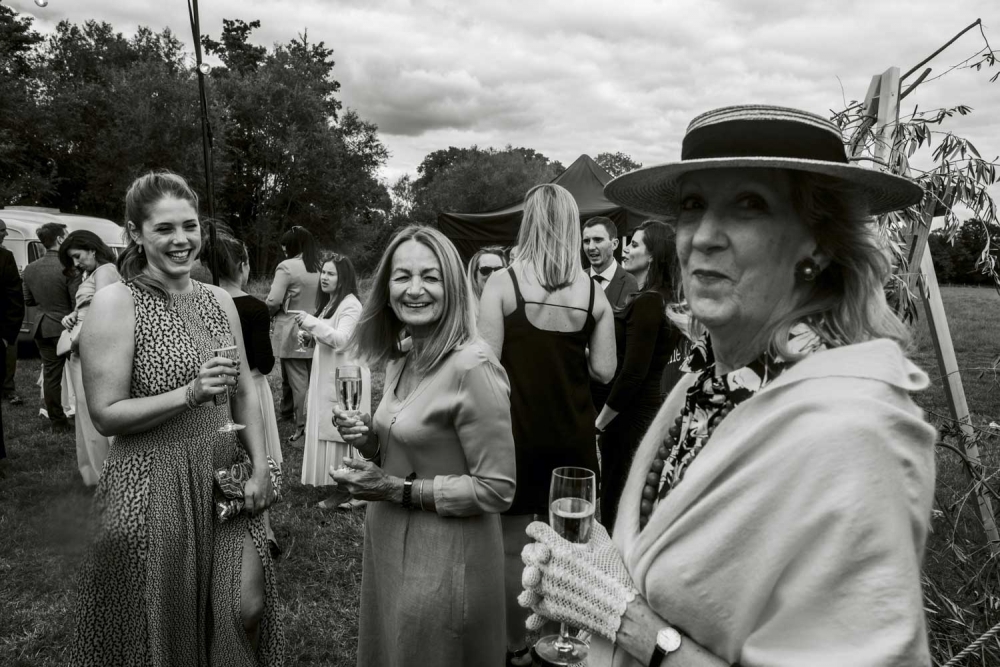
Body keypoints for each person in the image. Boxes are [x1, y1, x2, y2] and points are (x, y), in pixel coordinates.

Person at [519, 105, 935, 667]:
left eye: (750, 205)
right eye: (693, 206)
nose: (704, 238)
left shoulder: (853, 434)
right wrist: (601, 570)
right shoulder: (700, 388)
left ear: (817, 244)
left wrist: (630, 624)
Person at [70, 171, 283, 665]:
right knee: (164, 625)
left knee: (245, 606)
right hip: (153, 481)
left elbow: (245, 391)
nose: (181, 239)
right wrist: (187, 393)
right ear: (134, 234)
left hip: (221, 476)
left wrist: (260, 465)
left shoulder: (220, 300)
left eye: (190, 226)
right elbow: (106, 414)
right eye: (164, 228)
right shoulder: (115, 303)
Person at [331, 225, 515, 667]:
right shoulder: (405, 355)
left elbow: (497, 489)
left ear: (452, 285)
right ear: (386, 287)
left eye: (430, 277)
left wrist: (395, 490)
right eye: (402, 277)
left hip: (447, 559)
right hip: (390, 543)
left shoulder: (474, 366)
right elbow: (407, 446)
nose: (415, 289)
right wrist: (370, 440)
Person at [477, 183, 617, 666]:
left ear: (530, 223)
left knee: (513, 550)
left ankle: (516, 647)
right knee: (570, 552)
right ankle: (565, 645)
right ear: (572, 228)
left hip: (516, 436)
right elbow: (604, 371)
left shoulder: (502, 284)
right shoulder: (594, 293)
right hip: (573, 440)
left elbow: (485, 369)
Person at [594, 220, 682, 529]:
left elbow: (633, 374)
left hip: (629, 419)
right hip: (641, 414)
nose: (627, 250)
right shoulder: (658, 298)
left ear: (653, 256)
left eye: (634, 244)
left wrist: (599, 423)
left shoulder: (648, 302)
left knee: (616, 505)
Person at [204, 221, 283, 555]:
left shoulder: (202, 302)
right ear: (242, 266)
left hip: (213, 395)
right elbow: (264, 363)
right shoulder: (252, 307)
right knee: (255, 454)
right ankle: (265, 532)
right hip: (250, 388)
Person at [295, 252, 370, 509]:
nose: (324, 278)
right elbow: (329, 336)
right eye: (323, 273)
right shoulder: (331, 302)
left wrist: (311, 322)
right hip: (330, 375)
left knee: (343, 434)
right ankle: (345, 486)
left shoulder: (351, 305)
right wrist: (311, 338)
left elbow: (342, 340)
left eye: (331, 273)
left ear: (343, 277)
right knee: (333, 431)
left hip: (346, 380)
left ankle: (348, 490)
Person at [58, 231, 122, 486]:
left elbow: (106, 310)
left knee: (96, 409)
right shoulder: (92, 274)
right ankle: (96, 472)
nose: (75, 264)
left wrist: (79, 339)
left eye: (77, 256)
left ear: (92, 249)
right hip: (81, 345)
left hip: (92, 347)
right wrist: (71, 316)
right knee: (85, 411)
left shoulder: (106, 269)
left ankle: (111, 473)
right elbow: (89, 307)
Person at [265, 226, 320, 442]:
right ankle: (288, 412)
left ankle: (302, 429)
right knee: (303, 376)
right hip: (315, 326)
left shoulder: (286, 267)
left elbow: (273, 301)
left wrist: (267, 311)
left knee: (298, 381)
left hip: (291, 328)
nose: (284, 253)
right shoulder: (320, 266)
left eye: (285, 249)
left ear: (292, 247)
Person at [21, 222, 74, 432]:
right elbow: (77, 302)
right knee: (83, 374)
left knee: (52, 376)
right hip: (67, 328)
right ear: (60, 239)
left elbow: (29, 301)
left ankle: (58, 423)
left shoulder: (30, 269)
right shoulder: (69, 268)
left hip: (42, 326)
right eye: (67, 236)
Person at [0, 222, 25, 459]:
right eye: (0, 231)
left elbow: (14, 299)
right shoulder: (5, 257)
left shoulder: (5, 256)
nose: (5, 234)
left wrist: (7, 335)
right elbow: (15, 297)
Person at [584, 216, 639, 309]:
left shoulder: (630, 282)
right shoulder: (576, 279)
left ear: (614, 244)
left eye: (598, 240)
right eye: (586, 241)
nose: (591, 247)